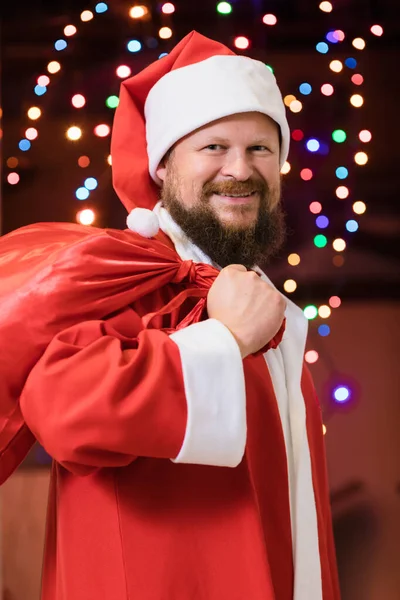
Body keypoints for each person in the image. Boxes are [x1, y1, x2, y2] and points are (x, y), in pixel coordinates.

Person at [0, 31, 340, 600]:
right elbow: (64, 413)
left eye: (261, 148)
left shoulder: (261, 302)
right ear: (162, 167)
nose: (241, 169)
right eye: (213, 147)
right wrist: (223, 341)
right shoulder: (123, 281)